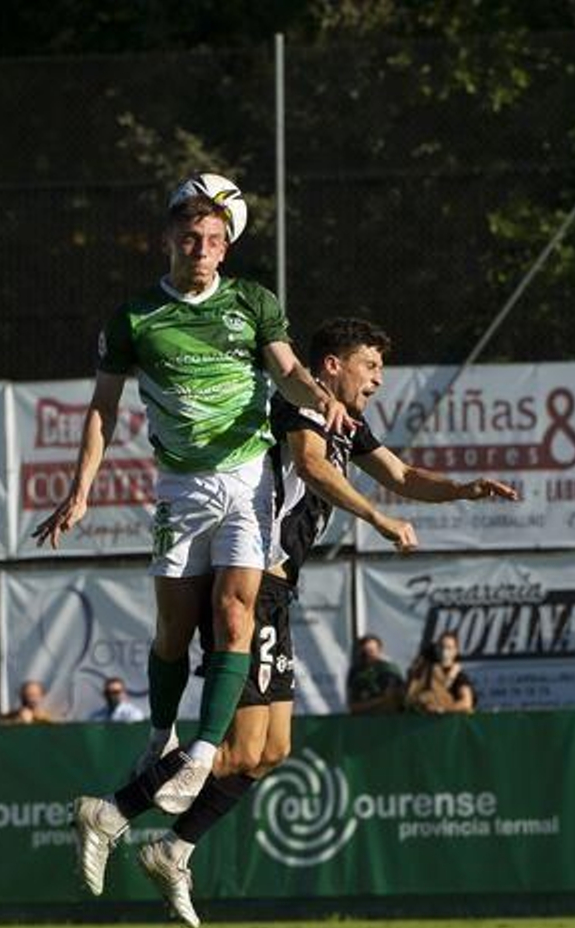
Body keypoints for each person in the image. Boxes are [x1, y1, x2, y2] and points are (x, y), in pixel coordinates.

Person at [73, 316, 516, 927]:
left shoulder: (350, 424)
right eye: (370, 365)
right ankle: (112, 812)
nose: (378, 379)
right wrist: (380, 522)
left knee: (273, 749)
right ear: (332, 366)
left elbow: (405, 476)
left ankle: (174, 847)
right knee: (238, 749)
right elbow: (310, 467)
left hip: (280, 593)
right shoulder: (298, 404)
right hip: (253, 582)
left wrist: (463, 490)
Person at [34, 174, 349, 820]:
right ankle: (161, 738)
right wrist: (79, 491)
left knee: (237, 614)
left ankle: (203, 751)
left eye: (211, 239)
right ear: (169, 242)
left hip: (247, 483)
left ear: (225, 247)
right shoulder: (133, 317)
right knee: (174, 633)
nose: (200, 248)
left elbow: (287, 372)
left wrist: (321, 398)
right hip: (181, 486)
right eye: (189, 238)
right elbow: (102, 410)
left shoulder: (253, 303)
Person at [404, 633, 477, 714]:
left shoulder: (459, 676)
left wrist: (442, 709)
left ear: (455, 651)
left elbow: (466, 703)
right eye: (441, 647)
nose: (444, 651)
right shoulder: (426, 671)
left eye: (449, 648)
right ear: (436, 649)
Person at [347, 634, 405, 715]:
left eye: (371, 651)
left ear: (380, 650)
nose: (367, 656)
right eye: (364, 652)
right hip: (361, 720)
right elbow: (353, 705)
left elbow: (394, 700)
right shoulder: (355, 671)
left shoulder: (390, 670)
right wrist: (380, 700)